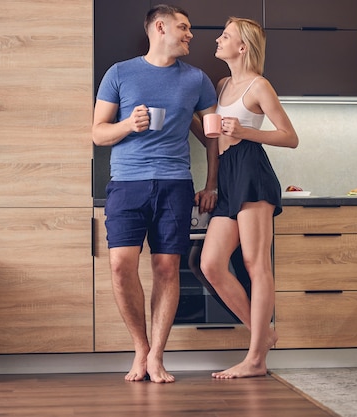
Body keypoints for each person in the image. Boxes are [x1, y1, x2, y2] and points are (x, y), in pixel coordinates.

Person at [91, 4, 219, 383]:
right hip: (126, 184)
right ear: (160, 28)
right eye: (184, 27)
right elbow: (98, 133)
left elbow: (211, 137)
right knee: (120, 266)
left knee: (166, 269)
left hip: (175, 184)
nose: (191, 35)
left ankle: (158, 355)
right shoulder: (120, 73)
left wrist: (212, 183)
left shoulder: (196, 79)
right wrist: (129, 124)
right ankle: (140, 348)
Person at [193, 17, 299, 379]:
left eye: (226, 36)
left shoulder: (259, 86)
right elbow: (212, 138)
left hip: (252, 171)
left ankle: (255, 360)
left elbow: (289, 137)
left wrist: (245, 132)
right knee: (210, 264)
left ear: (242, 48)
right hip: (227, 175)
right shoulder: (221, 84)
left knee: (256, 265)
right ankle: (263, 336)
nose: (219, 40)